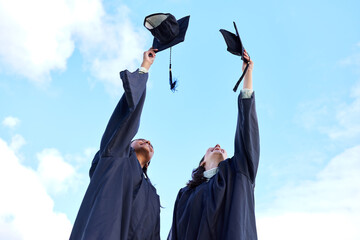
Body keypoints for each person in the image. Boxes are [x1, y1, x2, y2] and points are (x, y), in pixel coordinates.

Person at [167, 51, 260, 240]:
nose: (218, 145)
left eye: (222, 149)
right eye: (211, 148)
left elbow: (247, 132)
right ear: (202, 163)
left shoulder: (238, 172)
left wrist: (247, 75)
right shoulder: (185, 196)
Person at [70, 49, 161, 240]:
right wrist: (145, 68)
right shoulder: (116, 155)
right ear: (128, 143)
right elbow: (127, 119)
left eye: (151, 144)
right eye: (140, 139)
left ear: (148, 164)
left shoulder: (152, 196)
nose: (148, 142)